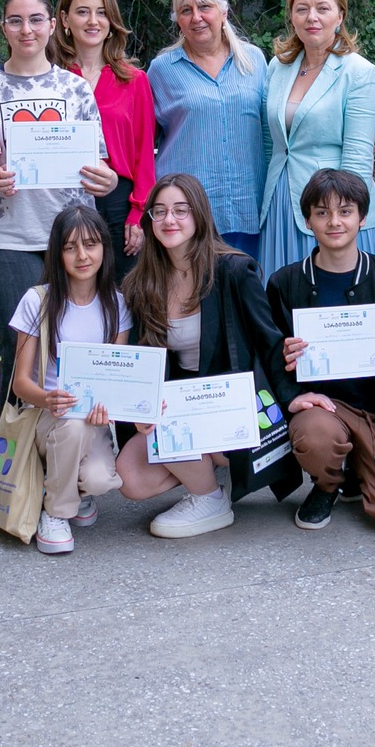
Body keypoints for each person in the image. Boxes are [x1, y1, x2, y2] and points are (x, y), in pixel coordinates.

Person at [117, 174, 298, 537]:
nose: (169, 220)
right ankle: (208, 473)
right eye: (159, 211)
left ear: (199, 215)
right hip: (180, 401)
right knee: (130, 477)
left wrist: (294, 399)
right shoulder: (141, 283)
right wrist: (140, 408)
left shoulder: (234, 271)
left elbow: (269, 341)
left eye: (180, 210)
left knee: (181, 427)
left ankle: (209, 498)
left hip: (230, 404)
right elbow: (141, 363)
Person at [0, 0, 119, 408]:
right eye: (15, 21)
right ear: (3, 28)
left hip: (71, 236)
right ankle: (12, 447)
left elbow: (99, 164)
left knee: (69, 340)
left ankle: (65, 438)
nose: (26, 30)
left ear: (52, 25)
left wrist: (106, 181)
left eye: (36, 20)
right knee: (17, 344)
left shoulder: (75, 88)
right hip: (7, 237)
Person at [265, 168, 375, 532]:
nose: (334, 222)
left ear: (362, 218)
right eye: (322, 212)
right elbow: (271, 356)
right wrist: (290, 387)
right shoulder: (285, 283)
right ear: (308, 221)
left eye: (345, 211)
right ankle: (327, 483)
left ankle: (355, 472)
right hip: (321, 408)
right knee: (318, 435)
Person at [7, 205, 130, 555]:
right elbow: (20, 383)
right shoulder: (38, 300)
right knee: (72, 427)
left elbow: (116, 378)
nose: (82, 256)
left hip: (93, 421)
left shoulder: (117, 305)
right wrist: (46, 399)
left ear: (104, 248)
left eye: (90, 245)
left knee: (100, 479)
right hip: (49, 419)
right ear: (57, 253)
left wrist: (109, 409)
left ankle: (74, 489)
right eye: (70, 247)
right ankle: (56, 512)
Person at [260, 0, 375, 269]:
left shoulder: (358, 72)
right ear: (292, 17)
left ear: (340, 16)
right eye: (302, 9)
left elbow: (357, 157)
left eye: (322, 8)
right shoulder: (277, 67)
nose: (311, 17)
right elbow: (271, 143)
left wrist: (338, 217)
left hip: (334, 208)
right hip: (282, 205)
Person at [148, 0, 269, 258]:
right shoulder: (161, 70)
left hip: (248, 206)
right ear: (178, 20)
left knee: (248, 282)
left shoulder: (254, 61)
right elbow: (142, 144)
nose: (196, 17)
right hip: (187, 214)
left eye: (204, 7)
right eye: (185, 10)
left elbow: (268, 133)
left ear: (223, 12)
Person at [49, 0, 156, 271]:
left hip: (118, 204)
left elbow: (144, 154)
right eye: (83, 12)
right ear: (65, 20)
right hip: (61, 200)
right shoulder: (51, 80)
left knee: (121, 293)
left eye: (101, 12)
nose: (93, 21)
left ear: (111, 21)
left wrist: (138, 212)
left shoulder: (134, 80)